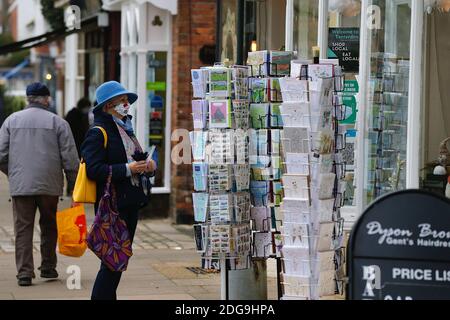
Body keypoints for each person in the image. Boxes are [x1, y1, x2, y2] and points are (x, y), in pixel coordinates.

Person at [80, 81, 157, 300]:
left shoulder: (125, 129)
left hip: (129, 201)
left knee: (117, 261)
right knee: (112, 263)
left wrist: (148, 167)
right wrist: (127, 169)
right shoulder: (99, 132)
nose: (126, 104)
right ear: (107, 106)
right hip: (112, 205)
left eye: (127, 101)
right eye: (121, 101)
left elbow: (136, 159)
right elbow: (93, 170)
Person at [0, 82, 79, 287]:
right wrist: (74, 186)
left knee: (23, 229)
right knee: (49, 225)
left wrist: (14, 174)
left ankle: (24, 273)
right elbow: (70, 159)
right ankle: (48, 267)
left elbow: (1, 155)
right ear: (46, 99)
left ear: (28, 98)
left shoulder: (11, 121)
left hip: (21, 186)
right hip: (49, 184)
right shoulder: (58, 123)